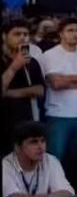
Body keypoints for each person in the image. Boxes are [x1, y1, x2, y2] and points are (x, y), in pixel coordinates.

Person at [2, 121, 74, 197]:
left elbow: (66, 194)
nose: (41, 147)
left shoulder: (50, 160)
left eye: (43, 141)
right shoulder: (6, 165)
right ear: (17, 147)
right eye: (33, 142)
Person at [42, 18, 77, 163]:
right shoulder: (49, 55)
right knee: (56, 158)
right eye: (70, 30)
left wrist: (66, 78)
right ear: (61, 33)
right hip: (58, 115)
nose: (75, 34)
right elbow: (56, 83)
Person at [2, 21, 45, 151]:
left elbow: (40, 90)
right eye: (17, 34)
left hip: (25, 122)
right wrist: (14, 67)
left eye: (25, 34)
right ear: (4, 36)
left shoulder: (31, 61)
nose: (22, 38)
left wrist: (8, 93)